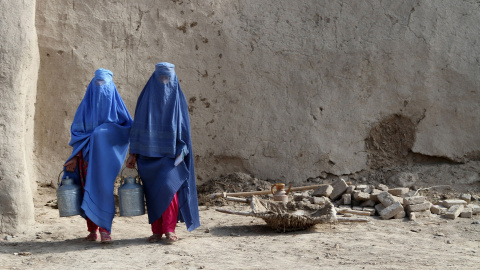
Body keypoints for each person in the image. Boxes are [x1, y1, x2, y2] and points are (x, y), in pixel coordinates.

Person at [126, 62, 200, 243]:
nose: (164, 82)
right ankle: (156, 231)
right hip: (147, 157)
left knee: (169, 189)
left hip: (171, 156)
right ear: (154, 78)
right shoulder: (145, 99)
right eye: (161, 78)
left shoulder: (178, 100)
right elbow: (138, 128)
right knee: (153, 195)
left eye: (168, 78)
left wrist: (182, 151)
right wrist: (133, 153)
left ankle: (169, 228)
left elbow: (183, 130)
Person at [63, 68, 133, 243]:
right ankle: (92, 230)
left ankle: (105, 230)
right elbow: (78, 135)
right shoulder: (84, 109)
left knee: (103, 191)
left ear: (111, 88)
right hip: (85, 159)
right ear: (91, 86)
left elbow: (126, 130)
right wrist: (74, 157)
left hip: (106, 162)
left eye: (104, 84)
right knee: (88, 190)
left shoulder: (118, 110)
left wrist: (102, 133)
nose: (100, 88)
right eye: (97, 83)